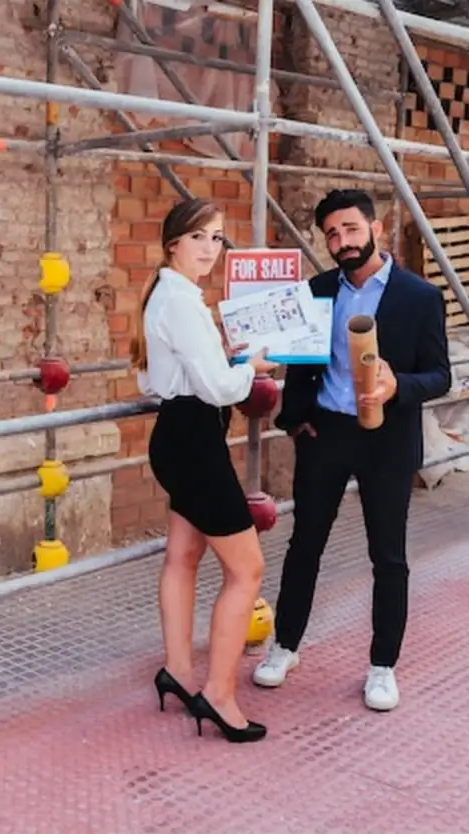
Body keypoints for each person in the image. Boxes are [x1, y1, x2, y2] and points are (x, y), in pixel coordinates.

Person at [252, 188, 450, 711]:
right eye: (333, 234)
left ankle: (383, 666)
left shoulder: (419, 297)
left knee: (387, 555)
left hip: (387, 436)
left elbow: (440, 376)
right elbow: (297, 360)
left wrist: (397, 385)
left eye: (351, 230)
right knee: (304, 547)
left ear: (376, 228)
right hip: (327, 435)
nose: (342, 242)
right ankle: (285, 646)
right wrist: (295, 420)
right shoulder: (316, 290)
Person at [132, 197, 278, 744]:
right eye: (199, 237)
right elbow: (218, 388)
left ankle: (179, 671)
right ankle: (218, 695)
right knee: (248, 570)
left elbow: (155, 382)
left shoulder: (166, 296)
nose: (210, 250)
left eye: (217, 238)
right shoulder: (182, 303)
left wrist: (228, 365)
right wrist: (248, 367)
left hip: (180, 435)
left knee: (183, 556)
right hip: (194, 439)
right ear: (174, 242)